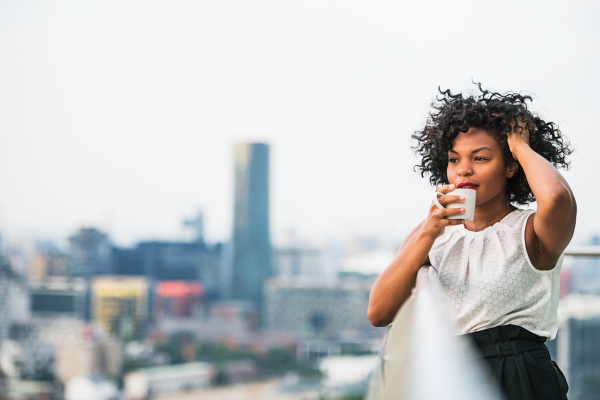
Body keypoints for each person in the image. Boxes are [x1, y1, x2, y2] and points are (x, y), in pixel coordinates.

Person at [367, 84, 575, 400]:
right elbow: (378, 313)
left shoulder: (530, 230)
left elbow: (557, 197)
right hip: (450, 370)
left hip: (522, 377)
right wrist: (429, 232)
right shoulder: (431, 231)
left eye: (480, 157)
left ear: (509, 167)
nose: (463, 169)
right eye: (454, 159)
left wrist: (518, 145)